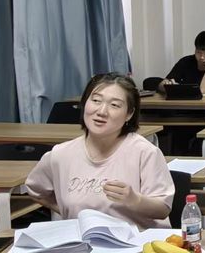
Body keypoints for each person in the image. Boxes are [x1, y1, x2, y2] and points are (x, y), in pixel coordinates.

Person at [26, 73, 174, 228]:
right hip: (82, 241)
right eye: (96, 100)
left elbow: (163, 209)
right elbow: (37, 190)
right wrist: (69, 212)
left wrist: (134, 200)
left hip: (138, 241)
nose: (102, 111)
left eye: (114, 105)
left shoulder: (145, 152)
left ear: (129, 114)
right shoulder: (60, 154)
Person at [160, 30, 205, 95]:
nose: (202, 57)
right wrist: (166, 85)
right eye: (198, 52)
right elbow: (163, 84)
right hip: (187, 103)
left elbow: (204, 90)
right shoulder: (186, 61)